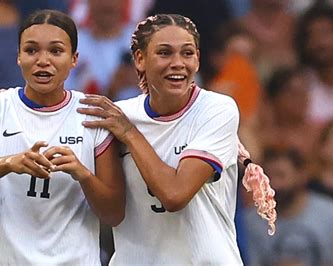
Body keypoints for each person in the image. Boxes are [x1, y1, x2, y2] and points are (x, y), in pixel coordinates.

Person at [78, 14, 276, 264]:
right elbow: (111, 212)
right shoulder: (120, 115)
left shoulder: (217, 109)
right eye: (164, 53)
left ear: (198, 59)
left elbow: (174, 195)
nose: (178, 63)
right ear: (139, 59)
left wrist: (129, 133)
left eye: (187, 53)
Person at [0, 9, 125, 264]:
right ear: (18, 57)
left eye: (56, 51)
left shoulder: (92, 114)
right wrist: (9, 163)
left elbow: (114, 213)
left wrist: (82, 174)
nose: (43, 60)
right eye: (31, 50)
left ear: (74, 59)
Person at [246, 148, 333, 266]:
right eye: (268, 178)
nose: (275, 184)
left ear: (302, 176)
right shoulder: (251, 220)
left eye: (281, 175)